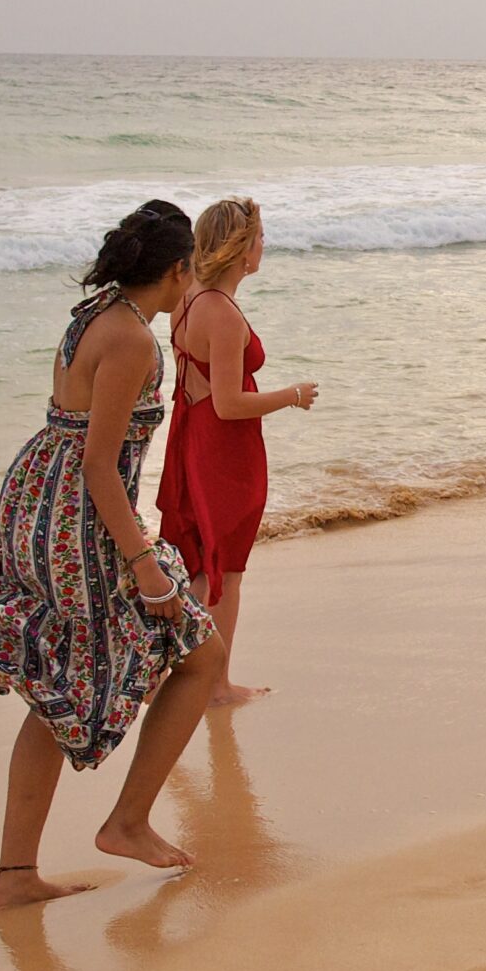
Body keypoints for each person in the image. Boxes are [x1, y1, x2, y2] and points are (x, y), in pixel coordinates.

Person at [0, 201, 225, 910]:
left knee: (53, 686)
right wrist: (143, 563)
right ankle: (125, 823)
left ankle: (15, 875)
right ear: (179, 270)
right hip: (78, 515)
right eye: (193, 272)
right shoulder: (133, 341)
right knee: (203, 657)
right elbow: (100, 464)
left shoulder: (96, 312)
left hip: (40, 495)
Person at [157, 197, 317, 707]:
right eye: (260, 237)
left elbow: (199, 384)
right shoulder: (220, 312)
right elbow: (228, 404)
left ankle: (176, 673)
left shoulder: (187, 298)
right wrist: (292, 395)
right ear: (241, 249)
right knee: (224, 569)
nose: (264, 245)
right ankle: (216, 685)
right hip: (224, 446)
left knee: (202, 564)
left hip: (193, 436)